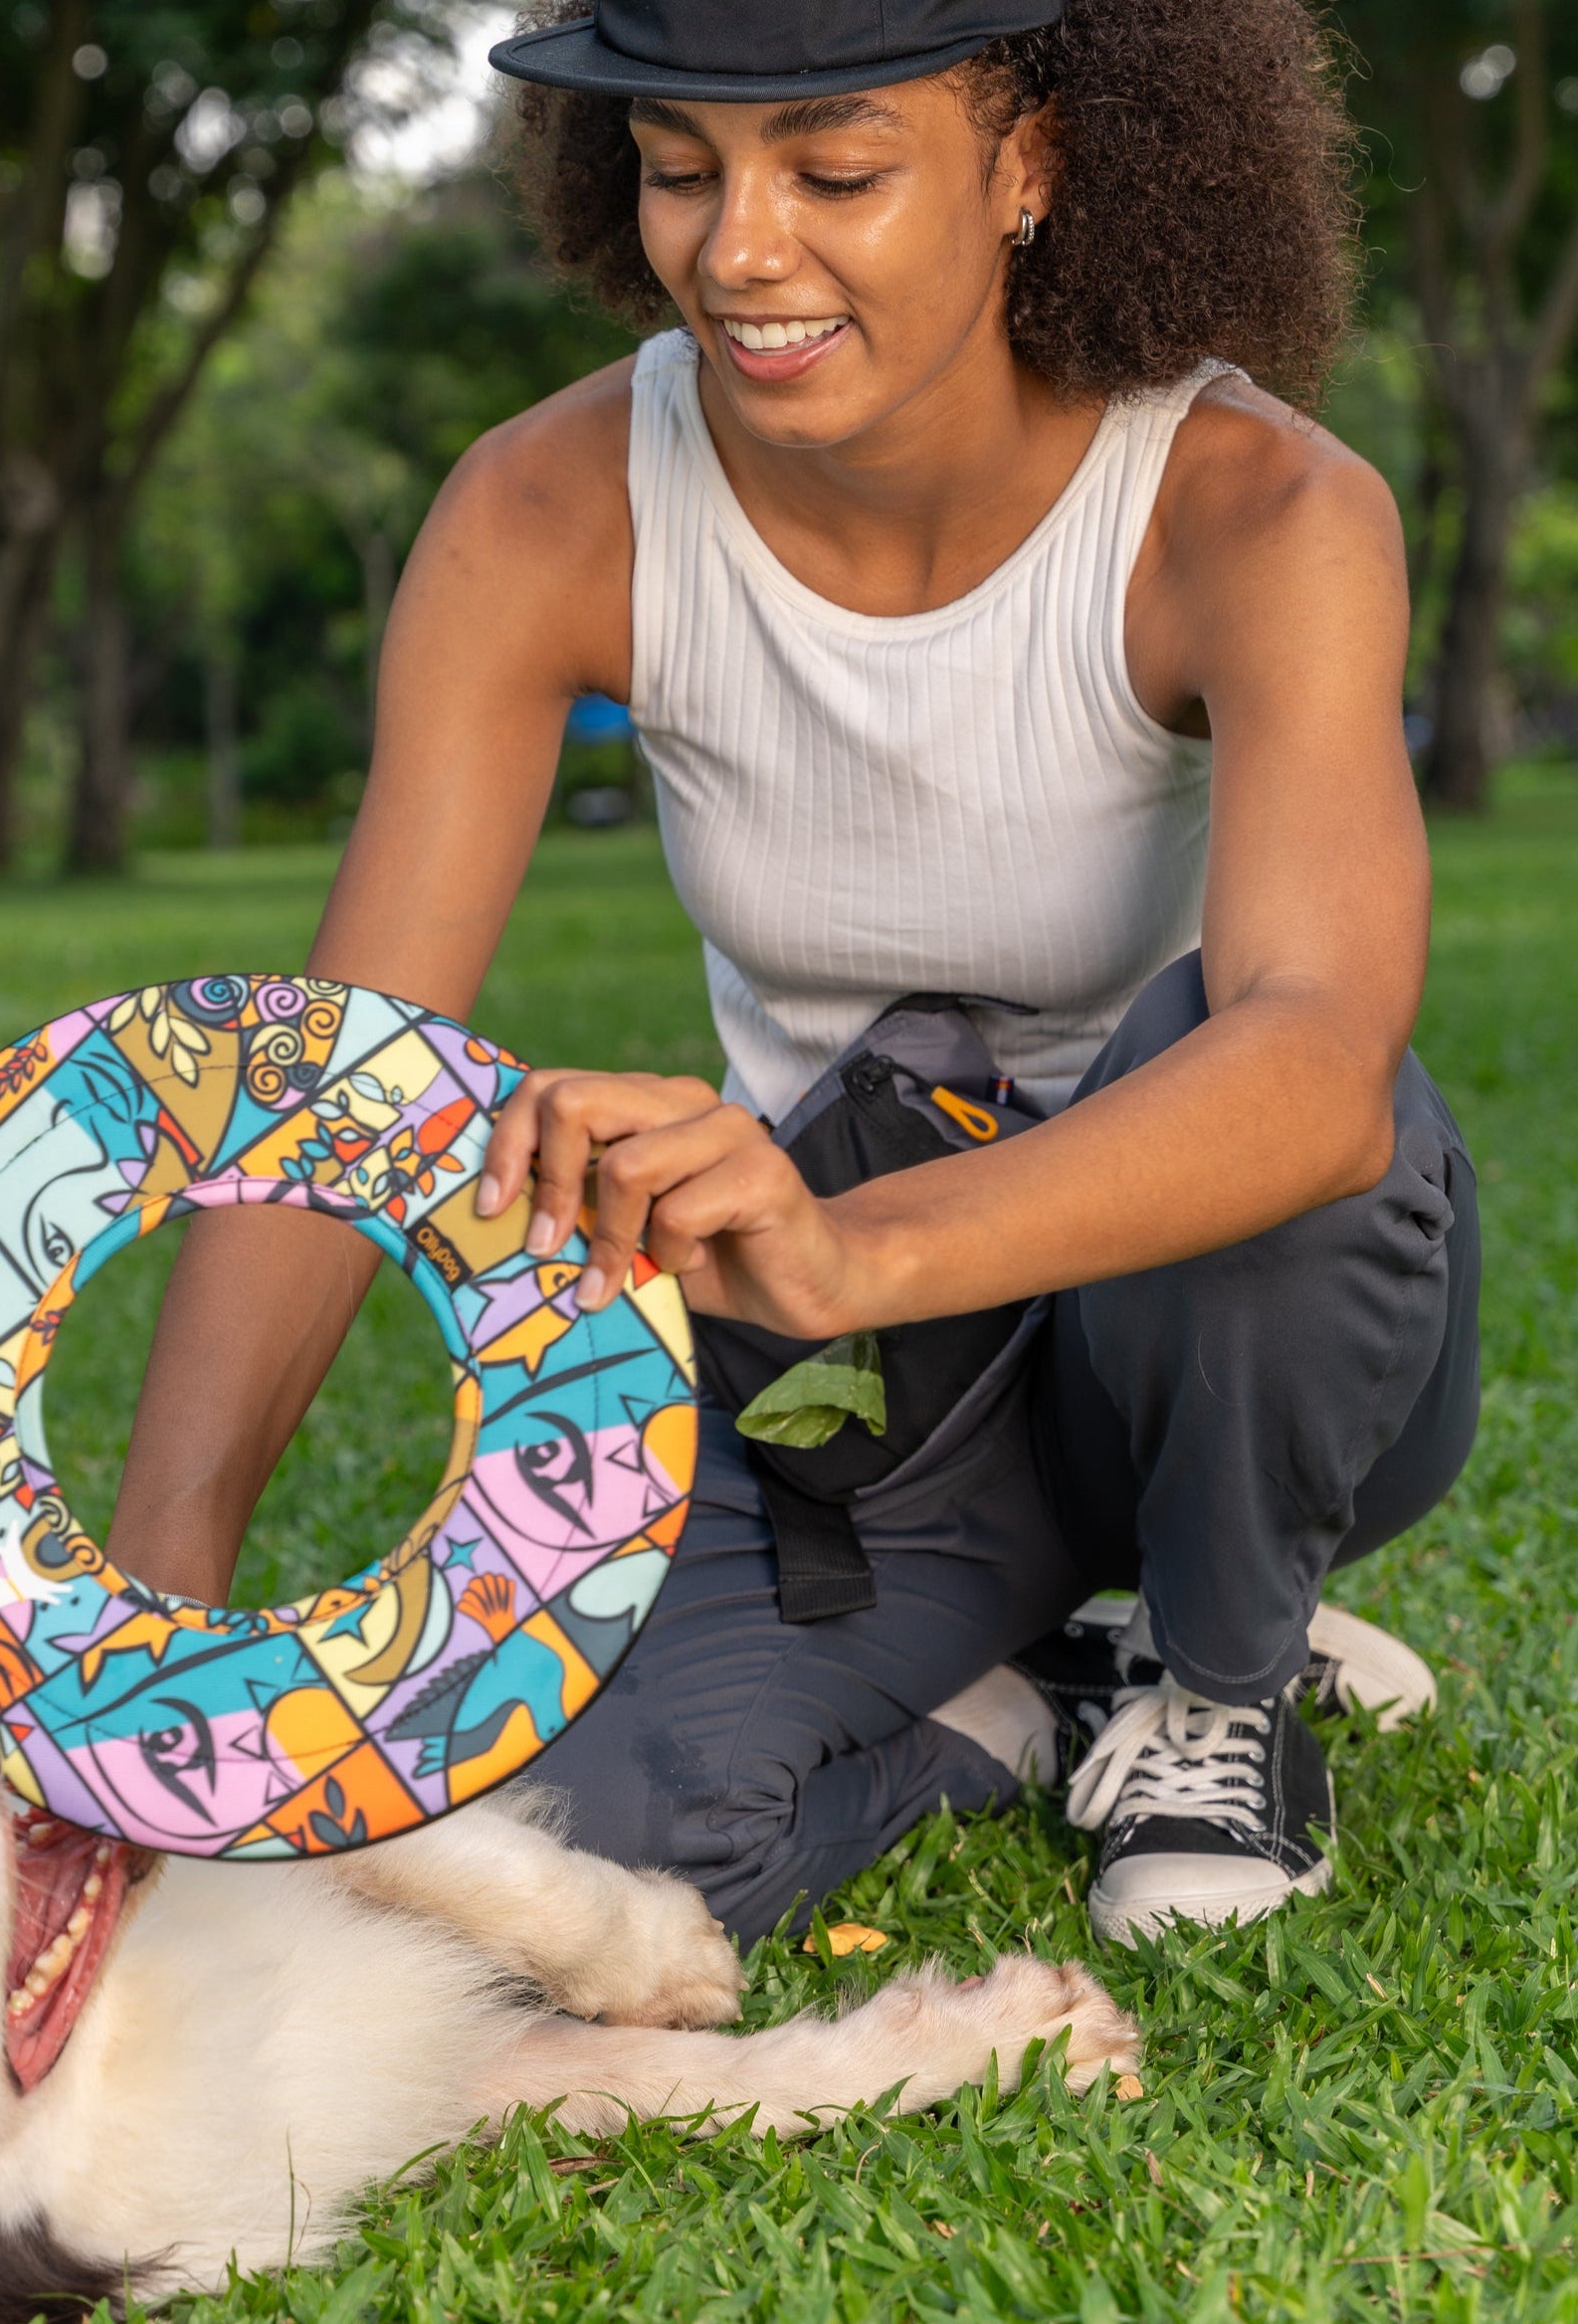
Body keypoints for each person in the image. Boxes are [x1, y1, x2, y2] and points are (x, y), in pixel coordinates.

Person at [104, 0, 1480, 1947]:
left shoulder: (1252, 508)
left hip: (1231, 1342)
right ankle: (1026, 1699)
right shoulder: (550, 509)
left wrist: (854, 1249)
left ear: (1030, 164)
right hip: (871, 1402)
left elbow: (1320, 1068)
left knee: (1229, 1058)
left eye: (834, 172)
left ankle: (1220, 1682)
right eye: (682, 169)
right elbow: (347, 1079)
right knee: (560, 1855)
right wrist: (138, 1641)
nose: (739, 248)